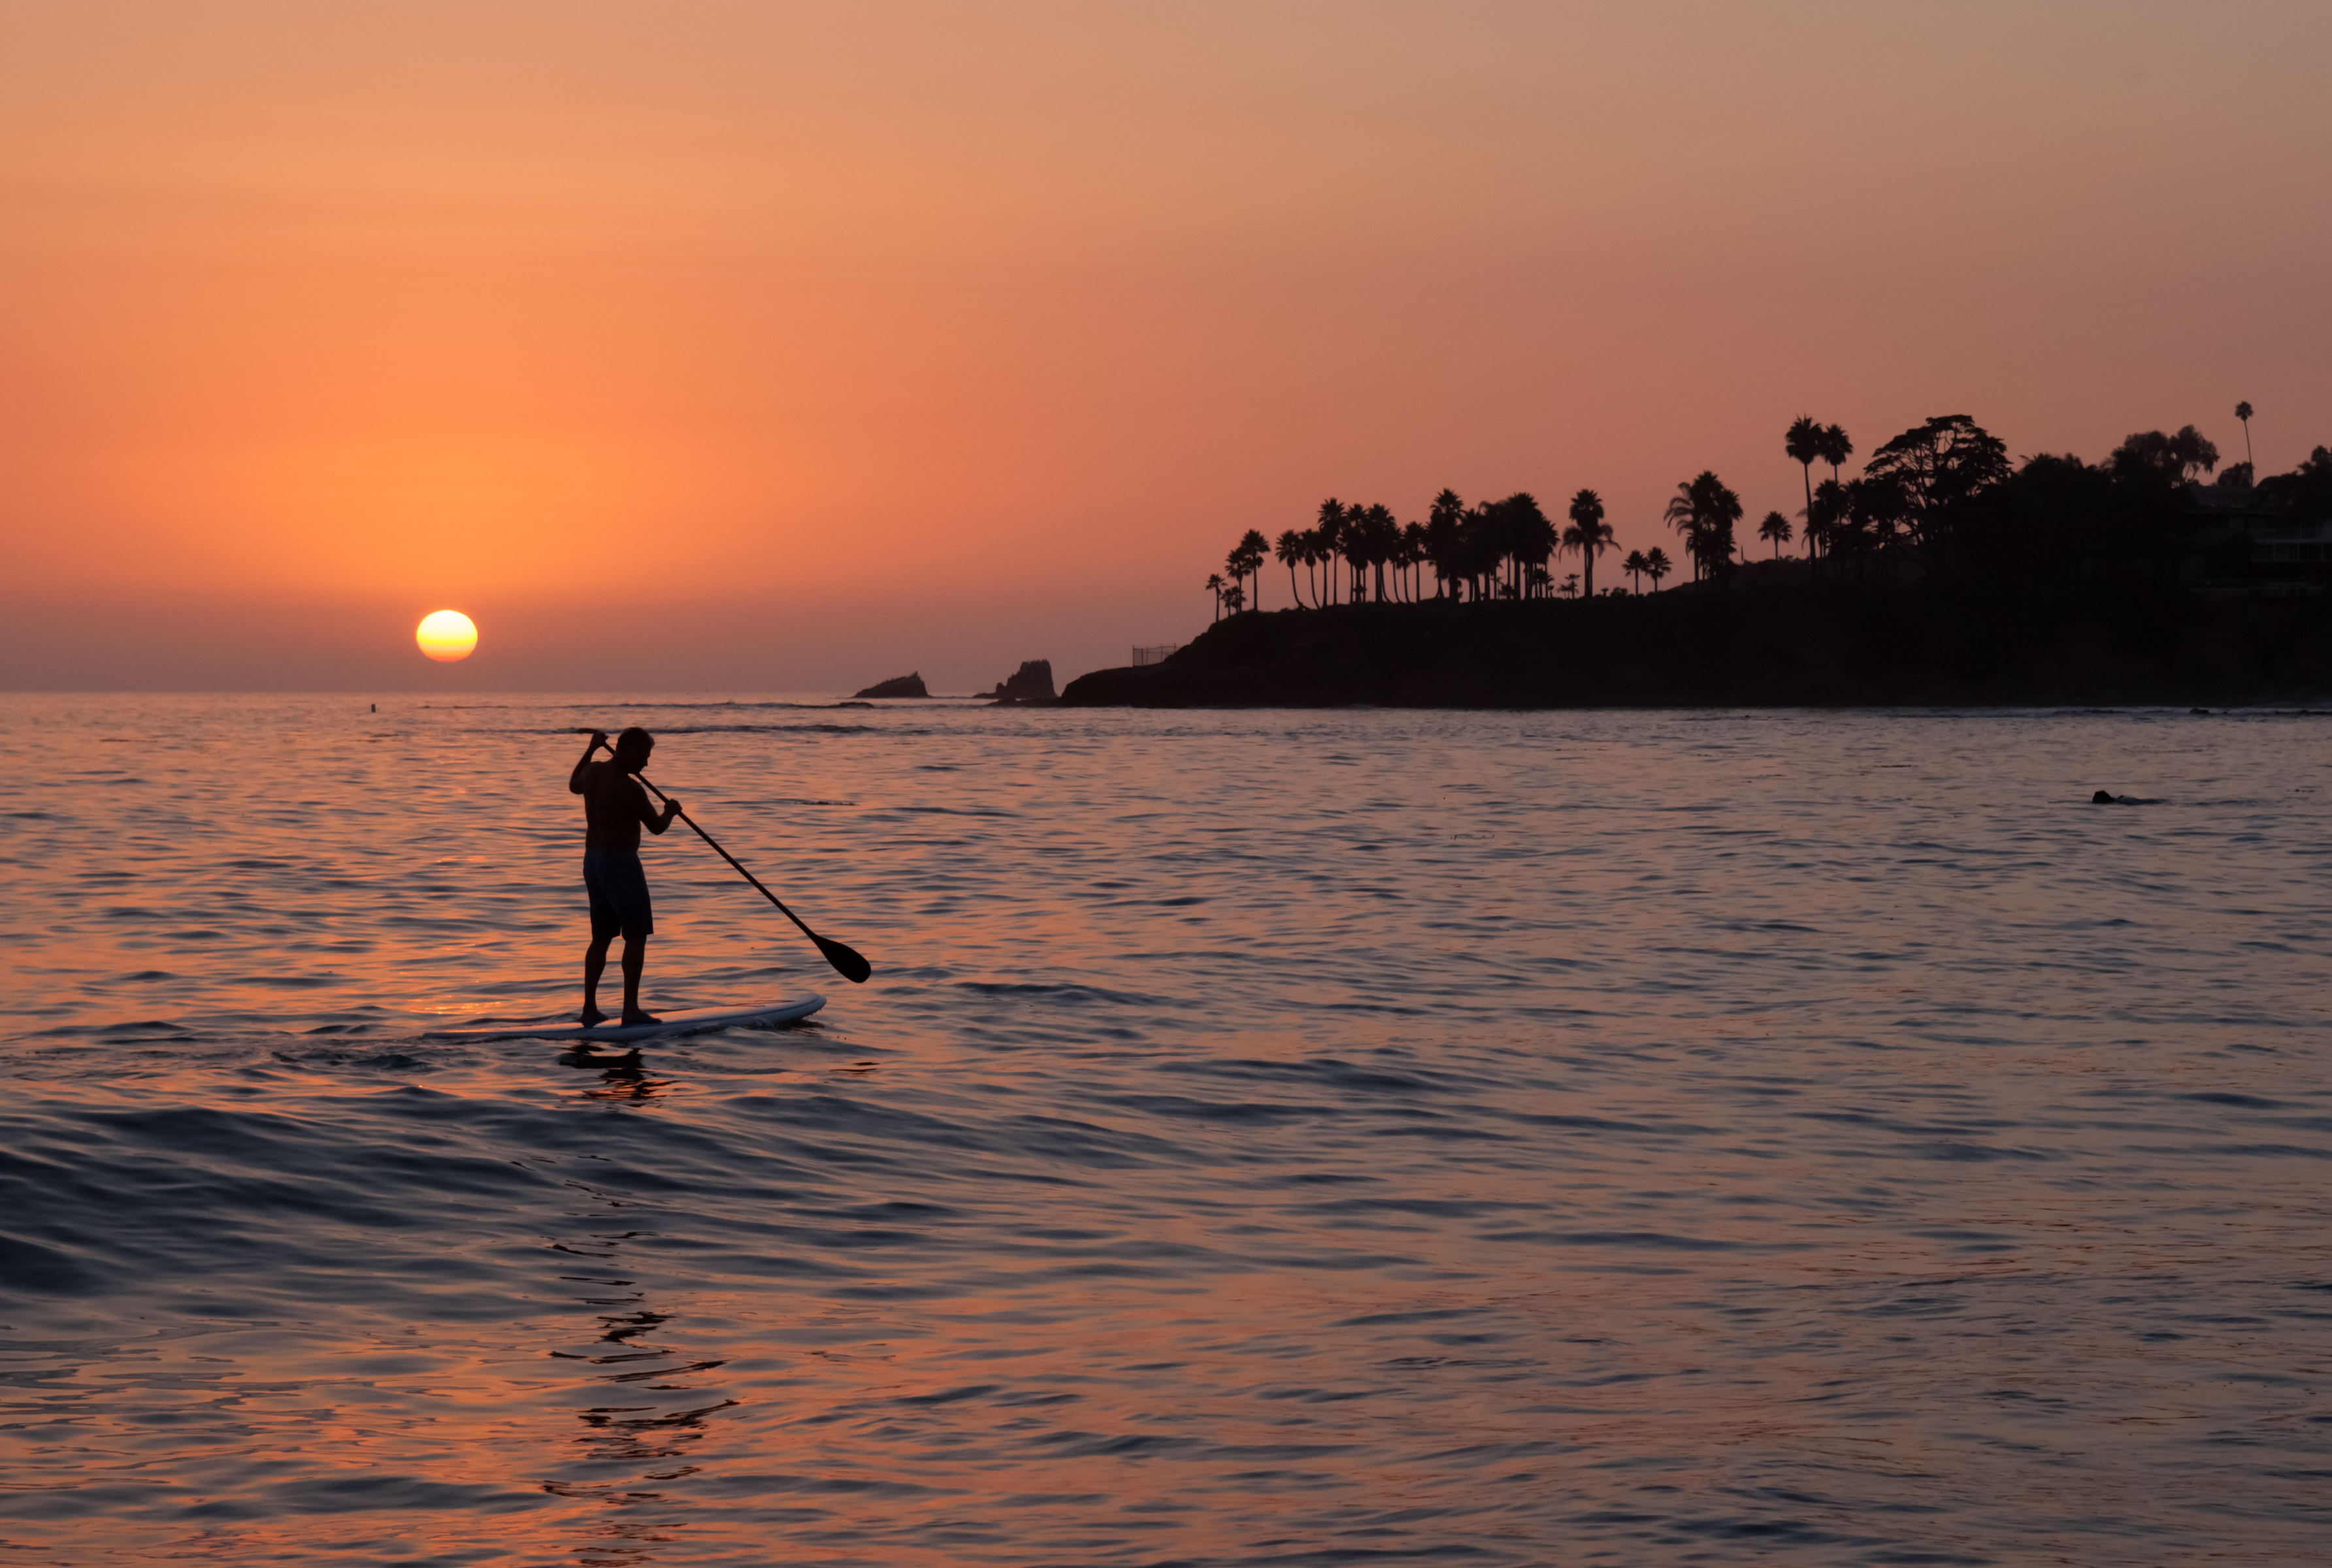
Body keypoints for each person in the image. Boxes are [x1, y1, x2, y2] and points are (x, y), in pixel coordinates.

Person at [570, 727, 682, 1026]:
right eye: (643, 756)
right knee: (636, 936)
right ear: (627, 750)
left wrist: (592, 748)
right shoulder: (631, 789)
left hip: (592, 862)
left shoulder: (593, 772)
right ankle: (630, 1010)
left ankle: (589, 1010)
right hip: (620, 863)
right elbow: (657, 827)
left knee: (601, 938)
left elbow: (573, 785)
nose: (645, 764)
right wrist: (671, 811)